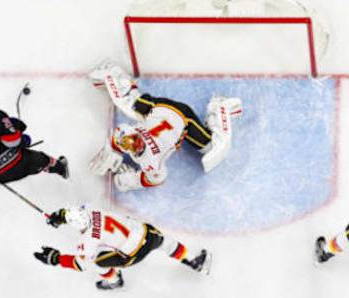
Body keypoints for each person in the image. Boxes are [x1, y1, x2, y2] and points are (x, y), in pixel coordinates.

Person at [88, 59, 243, 192]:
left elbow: (156, 179)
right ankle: (114, 76)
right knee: (133, 105)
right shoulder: (128, 133)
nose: (137, 143)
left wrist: (129, 180)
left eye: (136, 141)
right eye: (134, 144)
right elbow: (119, 139)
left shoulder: (152, 161)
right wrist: (112, 155)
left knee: (210, 147)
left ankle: (219, 107)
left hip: (183, 117)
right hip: (161, 107)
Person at [33, 205, 211, 290]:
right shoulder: (93, 209)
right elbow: (75, 212)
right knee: (166, 242)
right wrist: (61, 216)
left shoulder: (86, 241)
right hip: (146, 233)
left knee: (96, 261)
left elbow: (80, 264)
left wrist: (55, 258)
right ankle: (194, 263)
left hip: (134, 254)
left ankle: (114, 282)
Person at [0, 97, 69, 183]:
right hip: (16, 167)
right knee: (42, 158)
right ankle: (61, 169)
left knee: (28, 157)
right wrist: (23, 140)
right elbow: (13, 141)